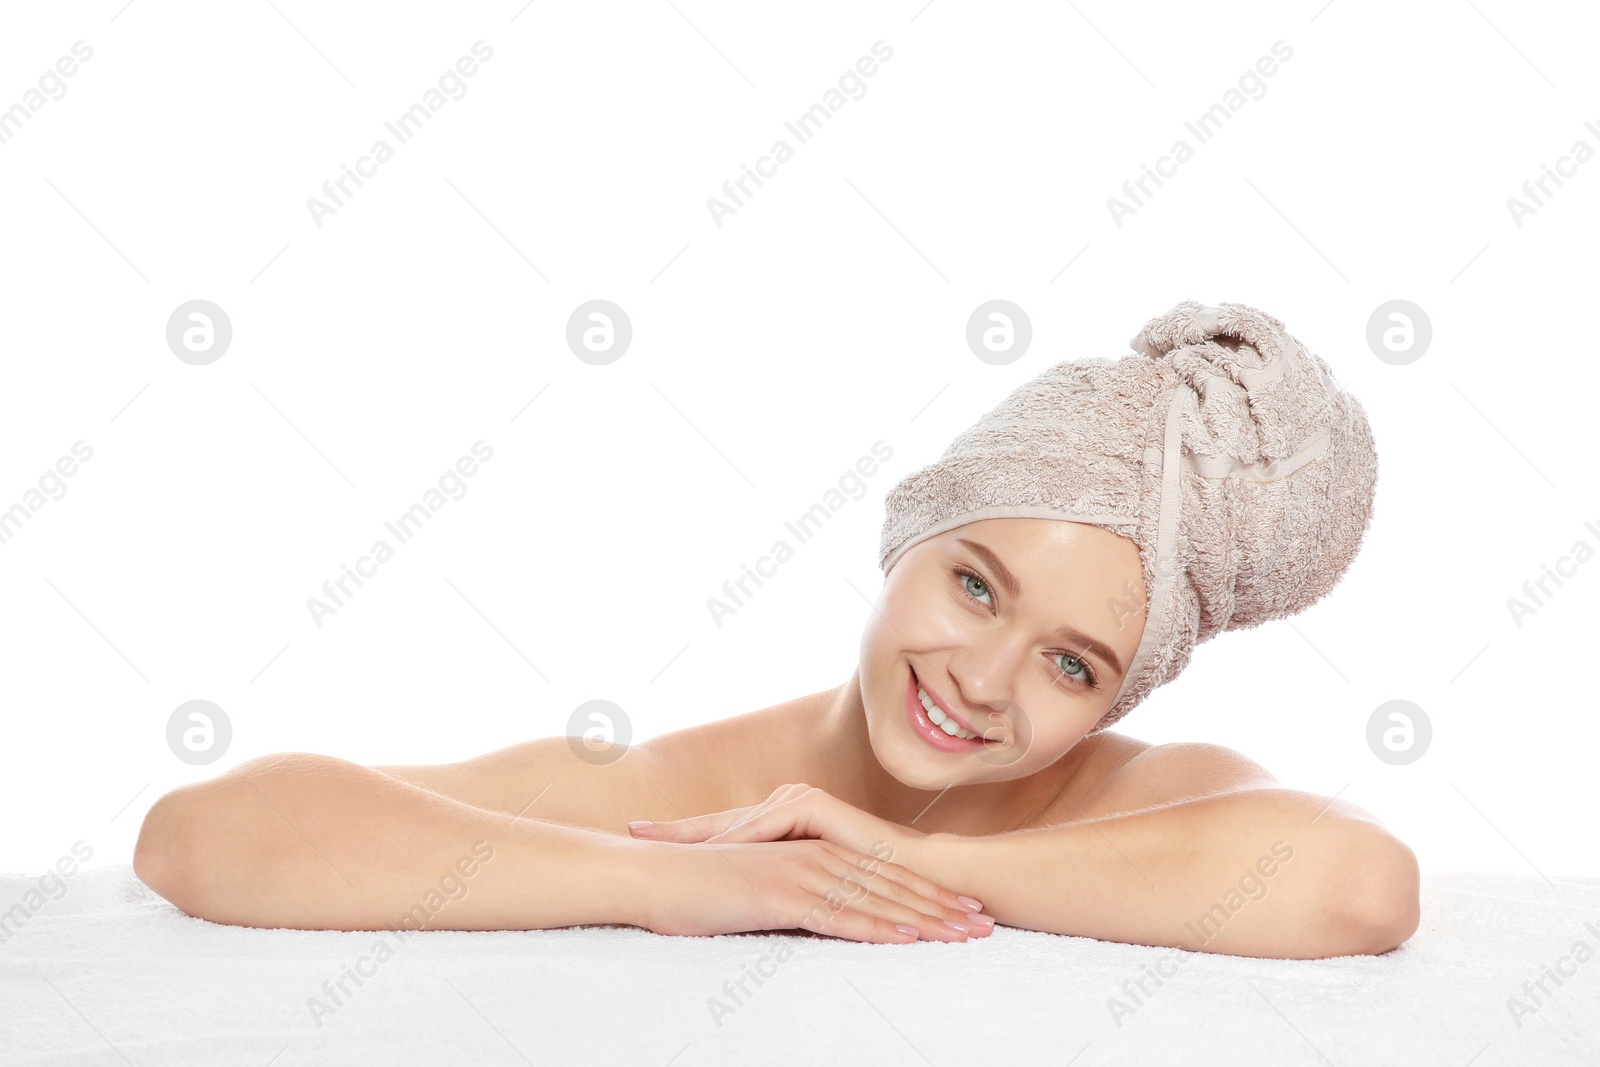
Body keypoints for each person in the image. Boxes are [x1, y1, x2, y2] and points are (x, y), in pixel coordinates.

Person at [133, 301, 1419, 961]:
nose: (981, 680)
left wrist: (889, 851)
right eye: (974, 584)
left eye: (1072, 663)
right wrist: (673, 879)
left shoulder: (1134, 804)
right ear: (907, 533)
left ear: (1120, 696)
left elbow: (1360, 883)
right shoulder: (686, 801)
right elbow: (198, 834)